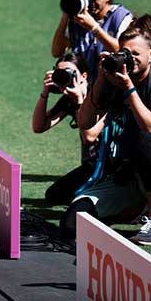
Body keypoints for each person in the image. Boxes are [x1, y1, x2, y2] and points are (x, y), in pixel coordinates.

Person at [72, 25, 151, 242]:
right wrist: (101, 78)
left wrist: (129, 88)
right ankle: (135, 208)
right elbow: (85, 123)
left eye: (136, 54)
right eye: (125, 53)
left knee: (143, 139)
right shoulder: (115, 78)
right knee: (73, 222)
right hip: (127, 172)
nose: (131, 59)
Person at [31, 54, 101, 205]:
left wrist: (79, 102)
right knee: (54, 196)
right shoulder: (69, 99)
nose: (64, 77)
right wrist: (45, 93)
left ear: (83, 76)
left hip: (107, 167)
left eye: (68, 72)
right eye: (59, 72)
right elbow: (38, 127)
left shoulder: (98, 96)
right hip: (90, 167)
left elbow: (89, 138)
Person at [51, 0, 132, 81]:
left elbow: (125, 53)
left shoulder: (121, 17)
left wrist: (94, 28)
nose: (90, 2)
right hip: (83, 87)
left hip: (112, 86)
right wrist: (65, 16)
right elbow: (56, 52)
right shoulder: (78, 17)